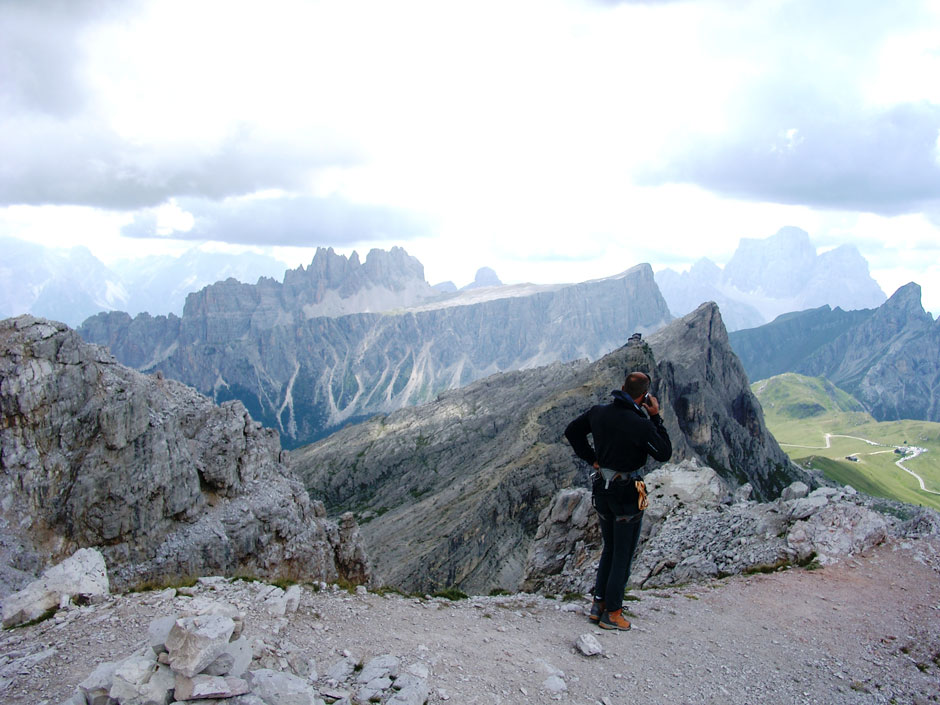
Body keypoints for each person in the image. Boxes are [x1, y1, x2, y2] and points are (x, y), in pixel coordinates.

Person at [564, 370, 672, 631]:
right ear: (644, 396)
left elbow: (572, 432)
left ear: (622, 387)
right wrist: (655, 417)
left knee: (610, 548)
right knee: (623, 553)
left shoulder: (598, 412)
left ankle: (598, 604)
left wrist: (592, 458)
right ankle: (613, 613)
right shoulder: (642, 424)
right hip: (631, 490)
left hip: (602, 487)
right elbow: (664, 453)